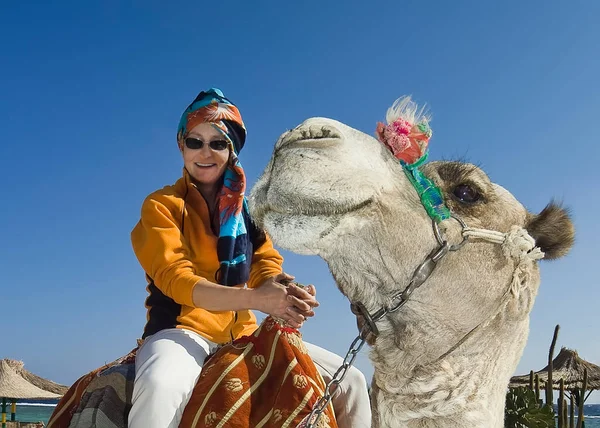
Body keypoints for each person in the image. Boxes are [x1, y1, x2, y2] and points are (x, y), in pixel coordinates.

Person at [127, 88, 371, 428]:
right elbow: (176, 281)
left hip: (244, 335)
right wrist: (257, 299)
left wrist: (287, 294)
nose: (205, 152)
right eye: (195, 142)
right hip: (181, 332)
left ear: (232, 149)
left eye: (218, 142)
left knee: (351, 383)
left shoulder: (249, 213)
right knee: (160, 386)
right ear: (181, 145)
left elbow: (266, 267)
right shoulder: (162, 206)